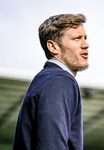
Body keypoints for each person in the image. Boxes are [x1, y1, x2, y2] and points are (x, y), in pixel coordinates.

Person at [13, 14, 89, 150]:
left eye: (85, 38)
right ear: (53, 47)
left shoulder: (47, 79)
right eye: (77, 38)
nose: (86, 45)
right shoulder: (59, 80)